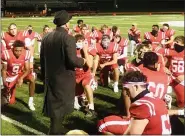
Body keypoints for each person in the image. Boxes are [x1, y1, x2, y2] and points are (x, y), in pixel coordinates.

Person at [40, 10, 86, 135]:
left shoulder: (46, 37)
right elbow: (72, 61)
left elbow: (42, 60)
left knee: (55, 107)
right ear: (66, 24)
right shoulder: (68, 38)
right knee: (60, 108)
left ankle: (57, 128)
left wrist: (43, 77)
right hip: (64, 79)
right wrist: (82, 60)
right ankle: (55, 131)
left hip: (50, 78)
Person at [1, 40, 35, 110]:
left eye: (20, 50)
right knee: (8, 102)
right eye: (16, 50)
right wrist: (4, 83)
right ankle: (8, 92)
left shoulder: (26, 54)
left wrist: (21, 78)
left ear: (23, 49)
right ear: (12, 48)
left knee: (32, 78)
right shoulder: (6, 54)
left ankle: (31, 101)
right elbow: (3, 70)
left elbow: (27, 69)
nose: (18, 53)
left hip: (19, 74)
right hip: (9, 76)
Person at [74, 34, 97, 117]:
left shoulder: (89, 49)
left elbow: (90, 64)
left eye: (82, 41)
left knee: (86, 85)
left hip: (86, 75)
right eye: (79, 41)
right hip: (75, 75)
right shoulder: (71, 50)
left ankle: (91, 108)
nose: (81, 43)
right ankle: (80, 99)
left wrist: (85, 51)